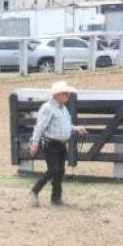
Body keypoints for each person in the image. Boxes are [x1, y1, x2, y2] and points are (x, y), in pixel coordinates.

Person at [26, 79, 88, 208]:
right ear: (58, 95)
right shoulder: (48, 108)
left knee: (59, 171)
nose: (68, 96)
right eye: (65, 93)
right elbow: (40, 127)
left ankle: (56, 198)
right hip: (50, 144)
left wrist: (76, 128)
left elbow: (64, 126)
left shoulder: (62, 109)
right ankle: (34, 191)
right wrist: (34, 143)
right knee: (54, 170)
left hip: (60, 145)